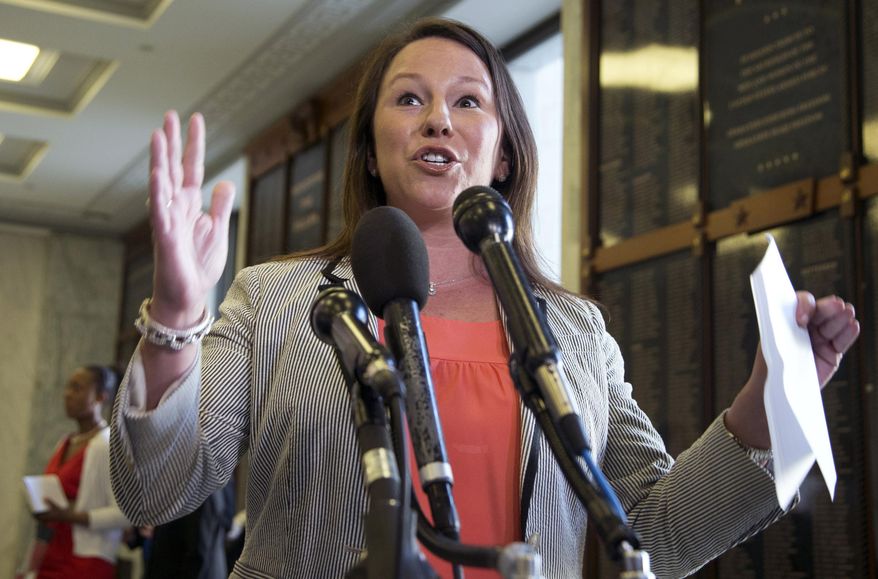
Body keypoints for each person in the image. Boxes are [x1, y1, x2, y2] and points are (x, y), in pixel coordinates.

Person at [108, 18, 861, 579]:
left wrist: (767, 400)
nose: (438, 118)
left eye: (468, 102)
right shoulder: (276, 298)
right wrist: (175, 316)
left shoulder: (573, 328)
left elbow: (657, 530)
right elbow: (156, 489)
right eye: (410, 98)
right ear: (371, 146)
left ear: (503, 152)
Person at [29, 366, 130, 579]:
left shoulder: (107, 445)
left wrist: (70, 516)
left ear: (100, 397)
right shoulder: (66, 442)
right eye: (68, 387)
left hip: (85, 562)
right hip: (51, 552)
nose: (67, 394)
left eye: (77, 388)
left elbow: (124, 514)